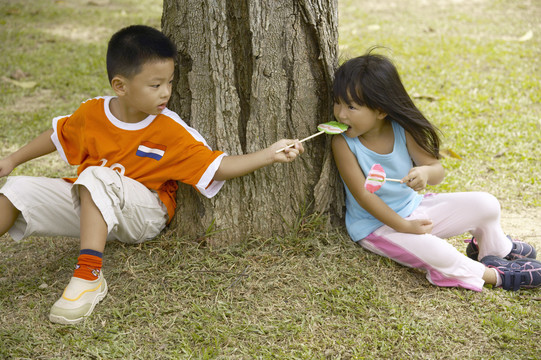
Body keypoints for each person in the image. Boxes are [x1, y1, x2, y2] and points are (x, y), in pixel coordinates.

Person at [0, 25, 304, 324]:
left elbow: (216, 166)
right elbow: (57, 135)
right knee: (16, 189)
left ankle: (89, 276)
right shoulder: (92, 113)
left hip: (144, 216)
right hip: (93, 208)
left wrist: (269, 154)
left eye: (170, 82)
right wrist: (12, 159)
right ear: (120, 86)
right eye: (155, 85)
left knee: (95, 176)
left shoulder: (170, 129)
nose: (167, 93)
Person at [331, 49, 540, 292]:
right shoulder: (343, 143)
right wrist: (403, 226)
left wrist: (425, 174)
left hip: (415, 208)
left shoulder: (401, 129)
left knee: (486, 203)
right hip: (377, 227)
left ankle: (496, 251)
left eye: (351, 107)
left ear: (380, 110)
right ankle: (496, 275)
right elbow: (364, 196)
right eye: (337, 103)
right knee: (439, 251)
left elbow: (436, 170)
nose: (340, 114)